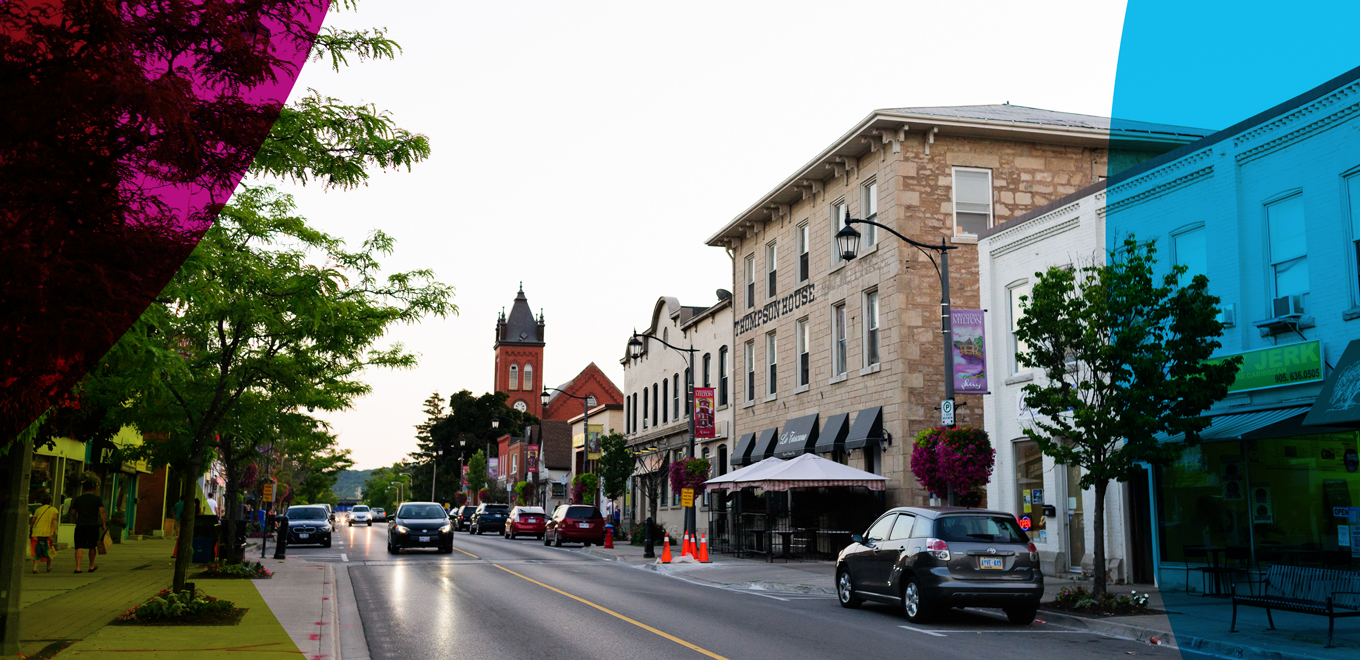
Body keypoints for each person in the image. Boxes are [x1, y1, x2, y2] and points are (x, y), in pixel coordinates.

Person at [70, 474, 106, 573]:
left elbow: (73, 512)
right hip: (93, 525)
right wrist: (104, 524)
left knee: (79, 546)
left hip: (81, 525)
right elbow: (102, 512)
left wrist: (75, 519)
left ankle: (78, 567)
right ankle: (91, 566)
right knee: (92, 546)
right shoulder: (97, 499)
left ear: (83, 489)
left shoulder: (78, 499)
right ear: (92, 489)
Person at [29, 494, 59, 573]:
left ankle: (35, 567)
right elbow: (54, 520)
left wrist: (31, 530)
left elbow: (33, 521)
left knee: (36, 549)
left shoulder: (38, 510)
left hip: (37, 532)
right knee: (48, 549)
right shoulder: (53, 509)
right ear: (50, 501)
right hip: (47, 533)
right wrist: (55, 530)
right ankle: (48, 566)